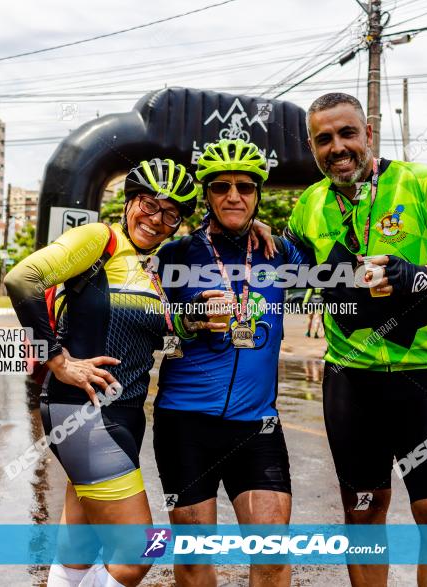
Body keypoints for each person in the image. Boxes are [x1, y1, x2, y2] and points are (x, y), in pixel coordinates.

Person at [285, 93, 427, 587]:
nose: (337, 147)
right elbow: (285, 267)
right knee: (363, 513)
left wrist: (421, 275)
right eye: (324, 139)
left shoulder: (419, 184)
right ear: (312, 146)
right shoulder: (308, 206)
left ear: (367, 134)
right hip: (351, 381)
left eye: (346, 134)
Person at [5, 159, 199, 587]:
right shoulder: (100, 239)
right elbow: (23, 279)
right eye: (150, 205)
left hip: (123, 414)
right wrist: (57, 358)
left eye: (171, 214)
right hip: (85, 412)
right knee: (140, 552)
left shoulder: (151, 268)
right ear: (130, 201)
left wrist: (193, 322)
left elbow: (147, 333)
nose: (157, 219)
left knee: (77, 552)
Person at [153, 139, 307, 587]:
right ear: (207, 194)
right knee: (196, 559)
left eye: (245, 187)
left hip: (256, 425)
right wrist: (191, 320)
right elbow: (145, 327)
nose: (234, 196)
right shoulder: (175, 256)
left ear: (258, 194)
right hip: (185, 424)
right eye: (221, 187)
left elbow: (340, 268)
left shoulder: (281, 253)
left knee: (273, 554)